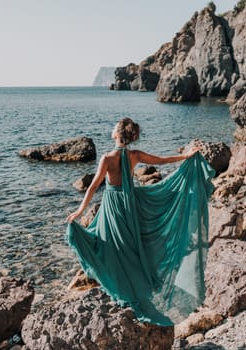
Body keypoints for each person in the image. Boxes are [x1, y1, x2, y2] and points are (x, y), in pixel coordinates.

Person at [66, 117, 215, 326]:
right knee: (130, 247)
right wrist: (186, 156)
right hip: (131, 205)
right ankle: (134, 283)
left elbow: (92, 187)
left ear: (117, 134)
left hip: (114, 206)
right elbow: (162, 160)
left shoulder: (107, 158)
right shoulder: (135, 156)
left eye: (113, 128)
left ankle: (120, 285)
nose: (111, 130)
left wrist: (79, 211)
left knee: (108, 245)